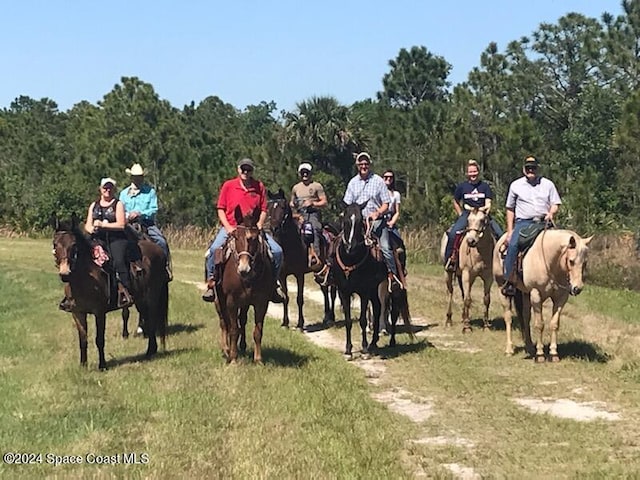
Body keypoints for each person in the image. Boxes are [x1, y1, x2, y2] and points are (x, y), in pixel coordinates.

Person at [202, 158, 285, 303]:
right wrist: (228, 227)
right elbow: (221, 208)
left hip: (253, 228)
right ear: (238, 170)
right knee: (214, 249)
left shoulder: (259, 186)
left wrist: (260, 223)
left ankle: (273, 285)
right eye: (243, 169)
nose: (246, 172)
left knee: (277, 251)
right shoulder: (229, 185)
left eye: (249, 170)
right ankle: (212, 282)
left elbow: (264, 209)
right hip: (233, 227)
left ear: (252, 171)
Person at [501, 156, 562, 296]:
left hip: (544, 221)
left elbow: (555, 203)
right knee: (514, 244)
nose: (531, 170)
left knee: (561, 246)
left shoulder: (548, 184)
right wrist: (510, 231)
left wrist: (551, 213)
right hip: (524, 223)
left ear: (537, 169)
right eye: (528, 168)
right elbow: (510, 208)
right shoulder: (515, 185)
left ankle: (563, 279)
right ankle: (509, 280)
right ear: (523, 169)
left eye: (533, 168)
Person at [343, 152, 401, 285]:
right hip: (357, 221)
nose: (364, 166)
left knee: (385, 247)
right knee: (340, 242)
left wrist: (377, 213)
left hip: (376, 221)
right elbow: (348, 203)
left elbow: (386, 203)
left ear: (369, 164)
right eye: (361, 163)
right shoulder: (352, 183)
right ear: (357, 165)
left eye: (366, 163)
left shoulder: (378, 181)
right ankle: (335, 272)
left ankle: (393, 276)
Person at [443, 159, 504, 271]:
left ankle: (502, 263)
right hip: (467, 214)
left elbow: (488, 202)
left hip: (482, 215)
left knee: (500, 234)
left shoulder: (485, 186)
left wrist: (484, 211)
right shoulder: (462, 187)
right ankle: (451, 259)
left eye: (474, 171)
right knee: (453, 234)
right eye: (470, 172)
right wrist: (461, 213)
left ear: (478, 172)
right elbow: (455, 201)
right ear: (467, 173)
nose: (473, 174)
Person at [119, 163, 172, 280]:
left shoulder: (150, 192)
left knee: (161, 241)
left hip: (146, 223)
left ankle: (165, 267)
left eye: (140, 176)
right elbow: (120, 208)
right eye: (135, 176)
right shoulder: (123, 194)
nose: (137, 179)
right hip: (127, 224)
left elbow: (154, 209)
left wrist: (139, 213)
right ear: (131, 177)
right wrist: (127, 215)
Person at [290, 162, 328, 268]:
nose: (305, 175)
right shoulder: (296, 188)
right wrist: (294, 208)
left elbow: (324, 202)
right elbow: (292, 202)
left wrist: (313, 203)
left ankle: (316, 256)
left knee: (314, 228)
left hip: (313, 213)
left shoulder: (316, 186)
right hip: (299, 214)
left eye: (307, 172)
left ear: (310, 173)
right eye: (303, 173)